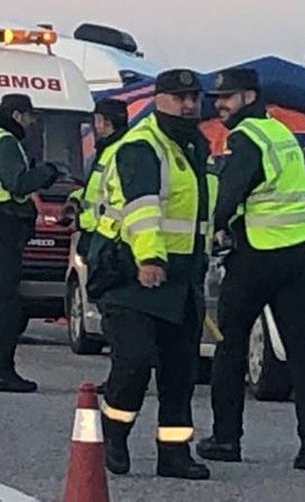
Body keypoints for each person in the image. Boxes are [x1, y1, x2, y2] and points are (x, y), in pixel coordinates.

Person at [196, 67, 305, 471]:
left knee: (231, 345)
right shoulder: (280, 132)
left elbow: (230, 192)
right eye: (218, 98)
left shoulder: (247, 138)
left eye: (227, 98)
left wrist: (212, 230)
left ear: (249, 97)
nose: (219, 105)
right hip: (301, 252)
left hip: (259, 254)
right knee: (302, 350)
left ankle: (226, 438)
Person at [87, 69, 212, 480]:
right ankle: (114, 433)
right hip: (133, 274)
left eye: (194, 97)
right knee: (135, 361)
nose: (189, 104)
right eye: (180, 98)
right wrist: (150, 260)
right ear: (159, 100)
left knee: (180, 372)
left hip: (183, 278)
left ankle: (174, 453)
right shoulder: (142, 146)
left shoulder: (194, 146)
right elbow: (143, 210)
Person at [0, 93, 60, 393]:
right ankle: (0, 371)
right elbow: (17, 184)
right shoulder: (5, 141)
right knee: (3, 304)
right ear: (18, 115)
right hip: (2, 227)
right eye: (29, 117)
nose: (31, 123)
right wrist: (46, 173)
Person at [64, 98, 130, 262]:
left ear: (103, 121)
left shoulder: (118, 151)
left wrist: (80, 220)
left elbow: (114, 203)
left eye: (96, 120)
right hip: (102, 238)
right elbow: (99, 189)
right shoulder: (113, 148)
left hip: (108, 241)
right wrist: (76, 197)